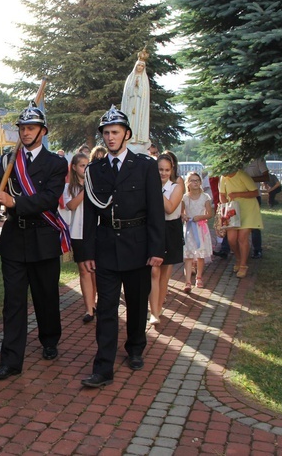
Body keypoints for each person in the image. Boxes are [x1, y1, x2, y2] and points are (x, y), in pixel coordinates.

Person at [0, 102, 70, 380]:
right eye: (22, 128)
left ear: (43, 131)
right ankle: (11, 360)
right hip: (14, 239)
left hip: (43, 238)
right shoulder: (8, 160)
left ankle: (49, 339)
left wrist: (12, 200)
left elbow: (48, 199)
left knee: (46, 297)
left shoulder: (56, 163)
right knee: (14, 303)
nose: (25, 132)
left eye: (31, 127)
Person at [79, 105, 165, 388]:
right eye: (106, 133)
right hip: (106, 247)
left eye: (115, 132)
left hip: (138, 245)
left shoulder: (145, 167)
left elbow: (155, 210)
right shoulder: (95, 169)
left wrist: (156, 249)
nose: (110, 137)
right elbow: (90, 214)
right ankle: (103, 367)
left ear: (126, 134)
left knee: (137, 304)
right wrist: (87, 252)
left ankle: (136, 348)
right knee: (105, 309)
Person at [149, 152, 184, 324]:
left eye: (166, 170)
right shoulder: (148, 185)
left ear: (171, 171)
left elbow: (170, 208)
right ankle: (153, 312)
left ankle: (159, 306)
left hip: (171, 229)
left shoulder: (176, 186)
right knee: (153, 271)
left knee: (164, 274)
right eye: (160, 169)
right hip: (154, 229)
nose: (163, 173)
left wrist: (155, 189)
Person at [62, 152, 97, 323]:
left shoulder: (97, 184)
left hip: (96, 232)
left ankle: (96, 301)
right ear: (74, 168)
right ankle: (89, 308)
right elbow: (70, 205)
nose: (85, 168)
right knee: (84, 270)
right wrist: (86, 191)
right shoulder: (70, 188)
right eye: (82, 165)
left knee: (96, 270)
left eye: (87, 165)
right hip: (78, 233)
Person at [219, 167, 263, 278]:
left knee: (242, 238)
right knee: (231, 239)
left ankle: (243, 265)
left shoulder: (242, 175)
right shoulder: (223, 177)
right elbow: (222, 194)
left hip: (247, 210)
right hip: (232, 211)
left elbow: (255, 192)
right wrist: (226, 206)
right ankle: (238, 258)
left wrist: (238, 194)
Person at [182, 172, 214, 291]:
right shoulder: (185, 197)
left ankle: (199, 277)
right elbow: (182, 212)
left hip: (200, 229)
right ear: (188, 183)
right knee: (188, 255)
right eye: (192, 180)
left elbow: (209, 214)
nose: (195, 182)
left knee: (200, 254)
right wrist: (184, 216)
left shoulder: (205, 196)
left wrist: (199, 217)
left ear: (200, 182)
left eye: (197, 180)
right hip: (189, 229)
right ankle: (187, 281)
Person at [121, 49, 151, 147]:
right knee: (130, 119)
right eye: (138, 65)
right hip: (131, 103)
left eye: (142, 66)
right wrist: (133, 86)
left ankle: (137, 137)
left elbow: (144, 94)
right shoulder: (130, 78)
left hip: (139, 104)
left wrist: (139, 87)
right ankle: (129, 136)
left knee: (138, 120)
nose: (140, 67)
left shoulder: (144, 80)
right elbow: (126, 92)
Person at [244, 158, 269, 259]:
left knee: (254, 224)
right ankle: (226, 249)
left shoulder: (258, 159)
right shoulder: (236, 159)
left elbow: (266, 176)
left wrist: (248, 179)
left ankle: (257, 250)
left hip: (254, 196)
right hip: (238, 196)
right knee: (234, 222)